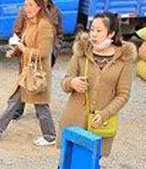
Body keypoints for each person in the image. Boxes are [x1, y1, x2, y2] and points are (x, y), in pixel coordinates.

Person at [0, 0, 56, 146]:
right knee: (18, 100)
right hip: (28, 71)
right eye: (25, 5)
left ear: (39, 7)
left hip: (37, 72)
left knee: (40, 105)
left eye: (30, 5)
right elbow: (25, 43)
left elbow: (43, 53)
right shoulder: (30, 23)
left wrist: (22, 48)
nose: (27, 8)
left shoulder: (45, 26)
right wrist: (15, 51)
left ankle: (49, 136)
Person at [58, 12, 136, 157]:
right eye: (92, 29)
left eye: (99, 31)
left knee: (91, 164)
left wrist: (104, 115)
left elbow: (123, 95)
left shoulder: (123, 59)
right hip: (74, 120)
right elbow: (64, 82)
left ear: (111, 33)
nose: (93, 34)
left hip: (99, 123)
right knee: (67, 163)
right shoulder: (81, 52)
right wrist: (72, 82)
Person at [11, 0, 63, 122]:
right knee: (23, 82)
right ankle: (15, 112)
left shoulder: (55, 12)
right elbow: (17, 29)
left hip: (44, 56)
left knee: (39, 84)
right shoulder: (26, 10)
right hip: (27, 55)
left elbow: (59, 34)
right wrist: (20, 47)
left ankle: (44, 120)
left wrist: (54, 51)